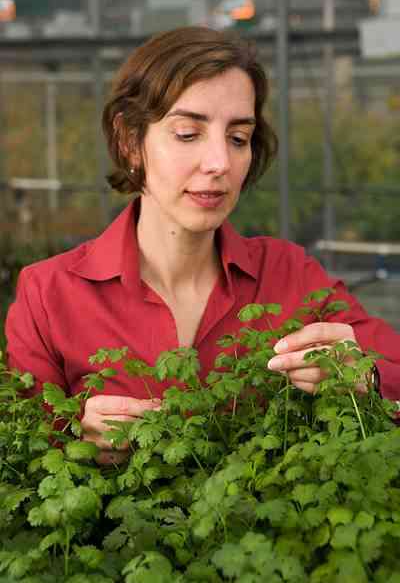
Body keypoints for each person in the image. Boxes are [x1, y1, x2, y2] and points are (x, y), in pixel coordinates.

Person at [5, 26, 400, 464]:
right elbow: (21, 457)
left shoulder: (290, 275)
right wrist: (73, 437)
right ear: (129, 140)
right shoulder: (48, 294)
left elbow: (392, 371)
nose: (219, 163)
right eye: (188, 134)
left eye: (238, 139)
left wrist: (367, 374)